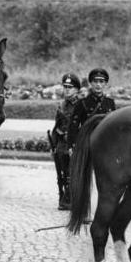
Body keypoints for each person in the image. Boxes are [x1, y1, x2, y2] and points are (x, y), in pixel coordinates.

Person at [50, 72, 81, 210]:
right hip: (62, 144)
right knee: (62, 173)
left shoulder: (82, 105)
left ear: (77, 89)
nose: (67, 89)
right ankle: (63, 198)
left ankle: (72, 199)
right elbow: (56, 126)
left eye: (70, 87)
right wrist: (54, 145)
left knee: (74, 173)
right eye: (65, 86)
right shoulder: (61, 106)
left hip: (76, 144)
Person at [67, 68, 116, 146]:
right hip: (87, 144)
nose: (98, 85)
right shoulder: (82, 103)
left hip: (106, 144)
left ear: (105, 84)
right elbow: (73, 125)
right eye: (95, 81)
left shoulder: (110, 102)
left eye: (101, 82)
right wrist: (72, 145)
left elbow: (114, 125)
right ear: (90, 83)